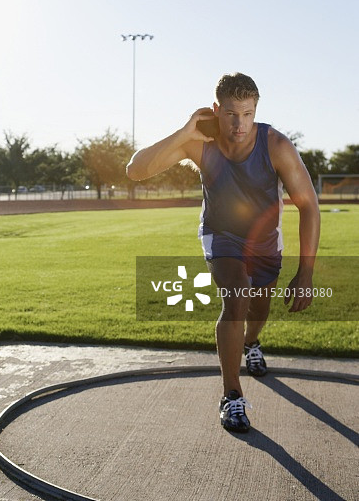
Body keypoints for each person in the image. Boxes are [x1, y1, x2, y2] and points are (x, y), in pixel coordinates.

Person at [126, 72, 320, 433]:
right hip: (221, 236)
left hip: (265, 243)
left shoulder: (276, 145)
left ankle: (252, 342)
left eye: (247, 114)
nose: (239, 124)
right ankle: (232, 395)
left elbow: (309, 206)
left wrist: (306, 272)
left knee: (259, 308)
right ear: (216, 110)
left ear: (256, 111)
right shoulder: (200, 141)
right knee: (236, 297)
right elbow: (135, 170)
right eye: (231, 113)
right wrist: (185, 131)